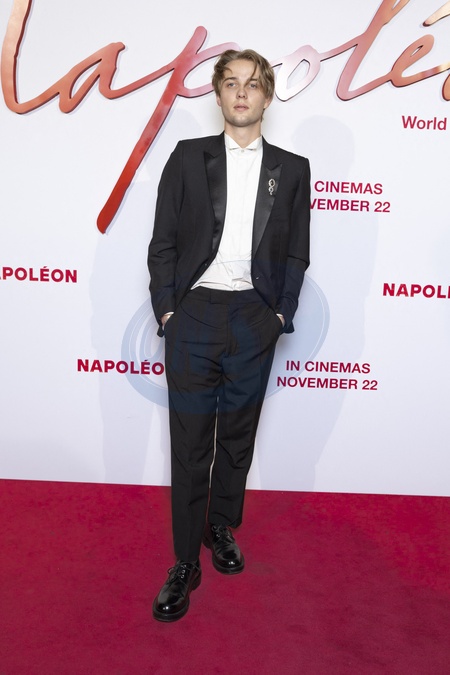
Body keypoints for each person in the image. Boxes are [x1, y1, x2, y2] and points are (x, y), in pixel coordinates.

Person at [148, 48, 310, 622]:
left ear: (268, 96)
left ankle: (220, 527)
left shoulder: (293, 169)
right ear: (218, 94)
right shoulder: (187, 157)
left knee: (238, 437)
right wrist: (168, 312)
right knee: (191, 443)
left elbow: (296, 254)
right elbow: (163, 241)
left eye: (254, 83)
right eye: (232, 83)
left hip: (253, 316)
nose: (242, 93)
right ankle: (183, 562)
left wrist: (279, 316)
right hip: (194, 315)